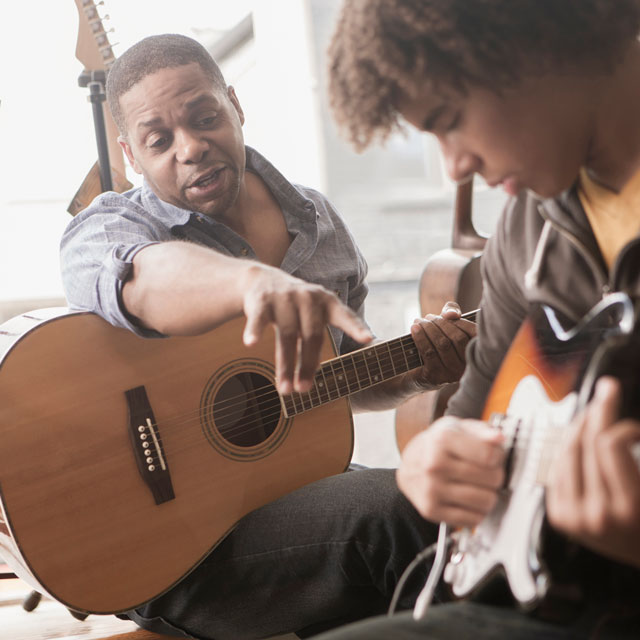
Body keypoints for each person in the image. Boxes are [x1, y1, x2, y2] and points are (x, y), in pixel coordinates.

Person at [59, 33, 475, 639]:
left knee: (448, 507)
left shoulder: (318, 222)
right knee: (404, 515)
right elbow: (142, 278)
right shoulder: (111, 227)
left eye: (205, 118)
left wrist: (416, 371)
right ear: (128, 155)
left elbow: (343, 376)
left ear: (234, 105)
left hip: (285, 496)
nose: (192, 147)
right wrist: (250, 283)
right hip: (164, 545)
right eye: (160, 139)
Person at [319, 0, 640, 638]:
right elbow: (474, 415)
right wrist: (430, 460)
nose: (454, 167)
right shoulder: (526, 227)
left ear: (531, 37)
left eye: (449, 121)